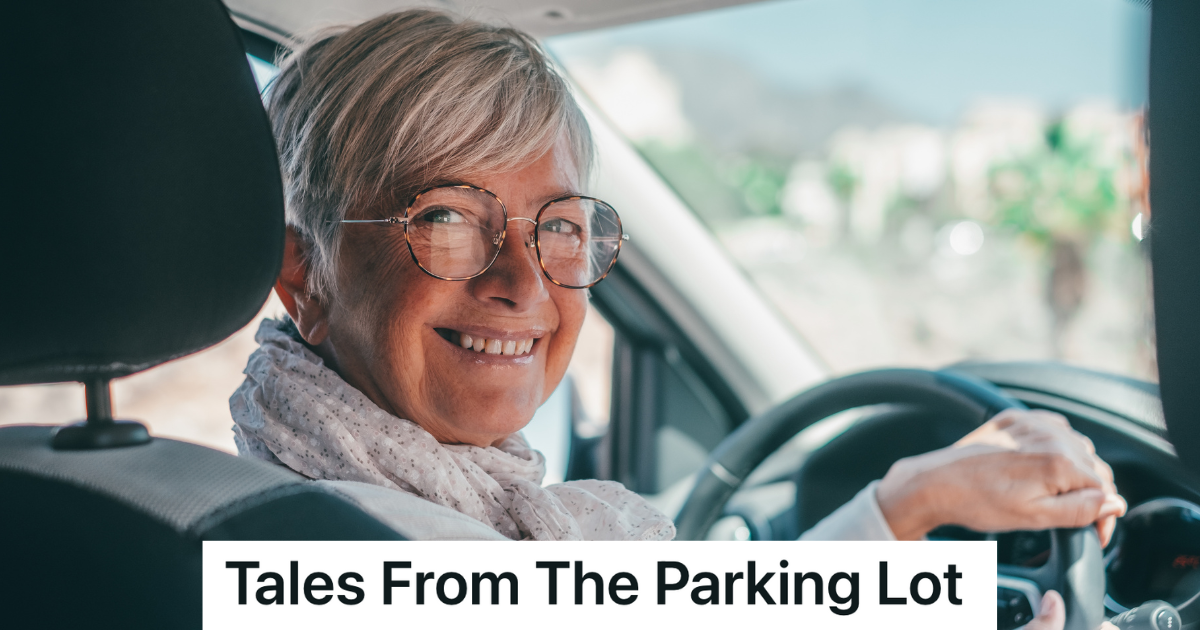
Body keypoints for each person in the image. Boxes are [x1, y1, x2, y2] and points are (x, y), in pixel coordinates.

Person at [229, 9, 1122, 627]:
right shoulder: (390, 559)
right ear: (303, 274)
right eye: (449, 217)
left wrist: (907, 504)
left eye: (561, 228)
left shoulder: (266, 522)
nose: (524, 280)